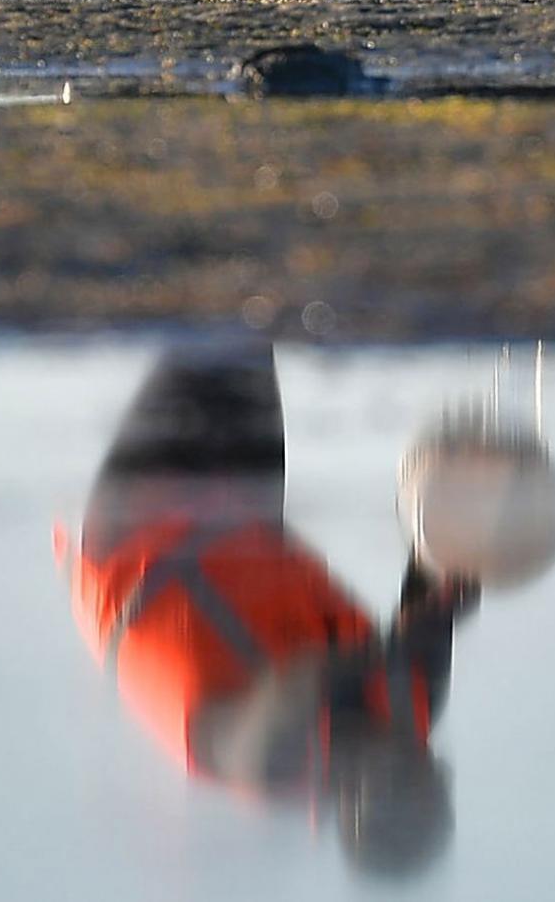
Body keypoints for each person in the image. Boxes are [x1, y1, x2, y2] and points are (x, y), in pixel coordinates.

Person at [60, 339, 476, 879]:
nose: (408, 758)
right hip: (245, 520)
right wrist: (470, 537)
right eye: (424, 776)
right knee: (246, 327)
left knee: (208, 331)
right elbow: (435, 572)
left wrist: (407, 642)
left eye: (400, 782)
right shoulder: (412, 704)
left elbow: (299, 685)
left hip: (135, 538)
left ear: (348, 805)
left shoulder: (261, 764)